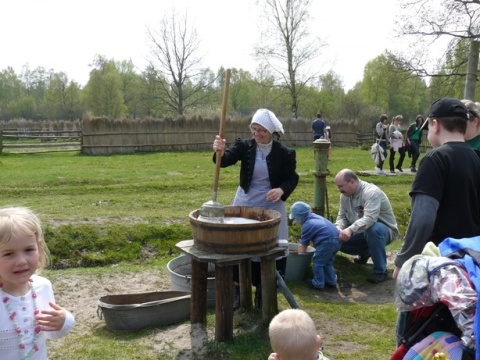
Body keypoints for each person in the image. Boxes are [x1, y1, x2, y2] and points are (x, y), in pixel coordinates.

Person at [393, 97, 480, 344]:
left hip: (437, 268)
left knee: (410, 337)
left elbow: (422, 219)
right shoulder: (477, 159)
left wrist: (402, 261)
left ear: (435, 124)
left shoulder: (435, 160)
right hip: (471, 270)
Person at [212, 108, 299, 308]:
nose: (257, 134)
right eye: (254, 129)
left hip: (272, 202)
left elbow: (292, 178)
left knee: (269, 245)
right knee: (239, 243)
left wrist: (281, 190)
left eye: (262, 131)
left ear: (271, 132)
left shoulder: (285, 153)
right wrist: (219, 151)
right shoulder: (245, 146)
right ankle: (237, 288)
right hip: (246, 200)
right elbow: (223, 162)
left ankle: (263, 289)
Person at [0, 207, 75, 360]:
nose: (21, 261)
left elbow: (51, 333)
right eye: (8, 254)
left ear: (39, 248)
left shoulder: (43, 286)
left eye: (28, 250)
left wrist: (64, 321)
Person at [334, 169, 398, 283]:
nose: (339, 190)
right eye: (338, 187)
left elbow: (370, 219)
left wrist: (350, 230)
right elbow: (342, 217)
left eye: (341, 186)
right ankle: (367, 251)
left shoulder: (371, 192)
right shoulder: (344, 196)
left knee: (373, 230)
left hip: (385, 231)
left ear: (352, 182)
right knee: (335, 240)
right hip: (361, 232)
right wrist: (338, 228)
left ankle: (380, 271)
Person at [289, 201, 340, 290]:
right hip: (337, 240)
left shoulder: (307, 225)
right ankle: (331, 281)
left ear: (299, 217)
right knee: (328, 262)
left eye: (295, 218)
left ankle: (318, 283)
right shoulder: (316, 217)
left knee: (318, 262)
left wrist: (298, 259)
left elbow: (303, 245)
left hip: (326, 242)